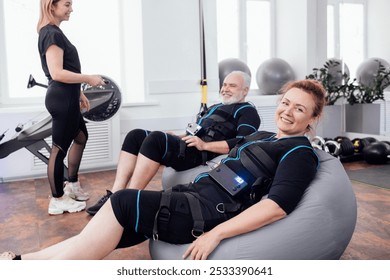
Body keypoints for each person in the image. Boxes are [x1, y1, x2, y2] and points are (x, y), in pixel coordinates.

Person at [0, 79, 326, 260]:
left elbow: (276, 207)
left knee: (123, 203)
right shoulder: (262, 136)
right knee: (103, 232)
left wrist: (216, 234)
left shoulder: (299, 152)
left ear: (312, 119)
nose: (288, 111)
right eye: (286, 102)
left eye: (300, 109)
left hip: (205, 214)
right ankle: (22, 263)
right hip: (190, 198)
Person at [86, 70, 260, 215]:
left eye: (232, 85)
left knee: (156, 140)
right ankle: (115, 194)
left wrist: (204, 145)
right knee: (135, 135)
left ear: (245, 90)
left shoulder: (247, 111)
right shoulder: (215, 107)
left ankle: (128, 200)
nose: (225, 89)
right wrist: (177, 136)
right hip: (190, 145)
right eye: (224, 84)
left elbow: (243, 142)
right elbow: (196, 131)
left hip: (201, 153)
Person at [37, 0, 106, 215]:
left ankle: (72, 185)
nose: (71, 9)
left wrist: (80, 92)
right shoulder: (51, 33)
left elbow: (65, 70)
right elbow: (57, 73)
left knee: (81, 136)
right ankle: (58, 199)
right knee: (59, 149)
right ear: (52, 6)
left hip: (68, 95)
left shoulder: (54, 32)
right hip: (62, 98)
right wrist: (88, 79)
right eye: (67, 4)